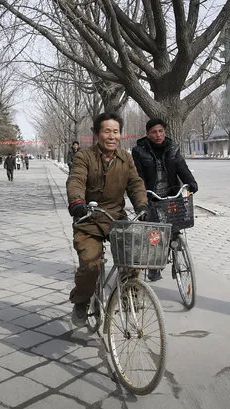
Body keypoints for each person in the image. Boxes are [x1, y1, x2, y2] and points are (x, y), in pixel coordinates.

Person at [66, 112, 149, 326]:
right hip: (88, 220)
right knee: (91, 265)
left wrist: (142, 203)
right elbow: (76, 180)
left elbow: (135, 183)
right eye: (106, 131)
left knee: (131, 258)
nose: (111, 136)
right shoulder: (84, 157)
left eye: (116, 131)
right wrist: (77, 202)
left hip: (116, 219)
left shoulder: (125, 157)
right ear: (96, 134)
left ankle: (127, 295)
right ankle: (82, 300)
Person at [132, 118, 198, 281]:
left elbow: (182, 167)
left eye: (161, 131)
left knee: (174, 228)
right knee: (155, 235)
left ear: (165, 132)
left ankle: (174, 255)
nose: (158, 135)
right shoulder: (139, 151)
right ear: (147, 134)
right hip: (151, 196)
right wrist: (141, 195)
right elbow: (137, 175)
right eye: (154, 132)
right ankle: (154, 265)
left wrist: (191, 183)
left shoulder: (172, 148)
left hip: (171, 195)